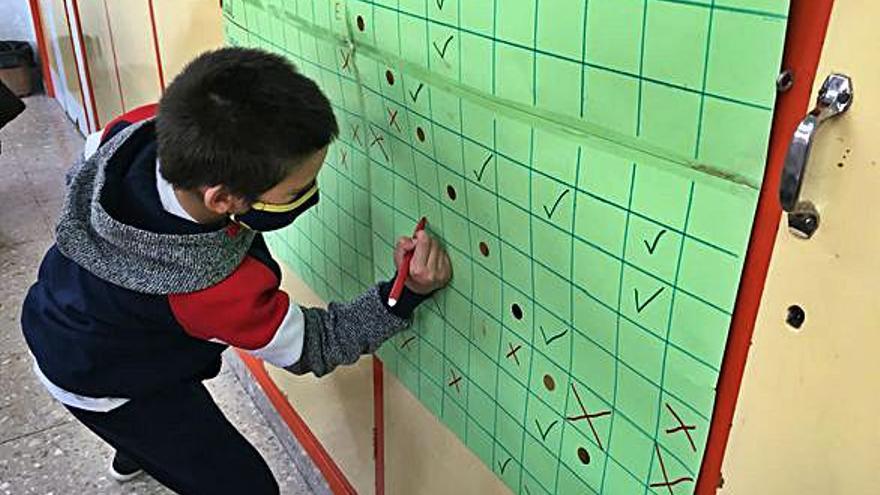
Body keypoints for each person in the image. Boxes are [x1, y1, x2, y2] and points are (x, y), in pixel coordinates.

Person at [20, 47, 451, 494]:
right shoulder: (213, 289)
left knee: (158, 394)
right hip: (104, 377)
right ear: (222, 200)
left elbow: (88, 157)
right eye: (296, 191)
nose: (312, 196)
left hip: (63, 308)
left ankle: (138, 446)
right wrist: (405, 293)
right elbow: (317, 343)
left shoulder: (140, 128)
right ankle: (138, 439)